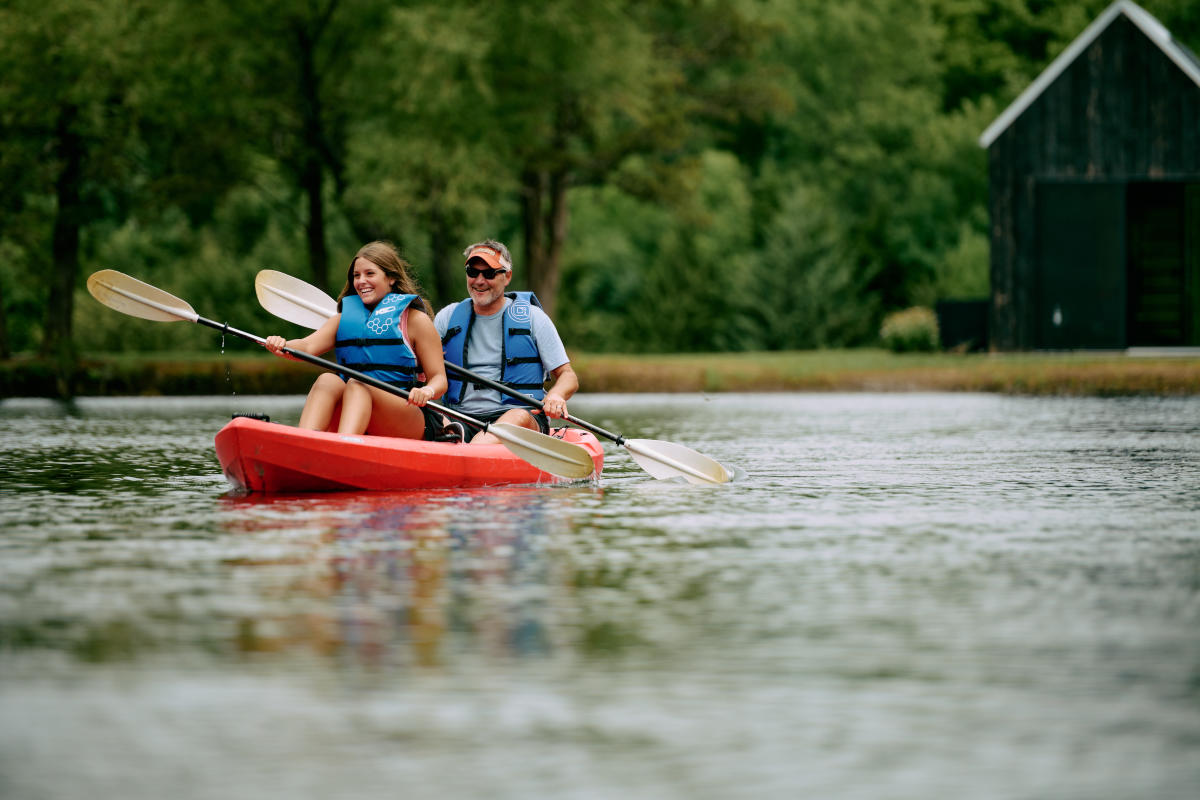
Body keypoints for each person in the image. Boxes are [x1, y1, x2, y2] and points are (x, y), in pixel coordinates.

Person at [264, 241, 448, 440]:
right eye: (356, 275)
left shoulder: (415, 320)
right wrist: (282, 345)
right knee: (328, 380)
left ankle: (344, 448)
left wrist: (428, 391)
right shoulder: (344, 319)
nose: (361, 281)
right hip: (358, 408)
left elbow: (440, 379)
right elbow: (307, 347)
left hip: (407, 414)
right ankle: (304, 443)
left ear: (391, 278)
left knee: (360, 383)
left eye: (370, 274)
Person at [435, 239, 578, 444]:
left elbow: (568, 376)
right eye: (472, 272)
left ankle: (472, 451)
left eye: (489, 273)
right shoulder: (446, 318)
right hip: (458, 416)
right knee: (426, 416)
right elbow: (425, 373)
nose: (479, 280)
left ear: (507, 276)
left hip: (519, 415)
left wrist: (556, 395)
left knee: (516, 416)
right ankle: (461, 444)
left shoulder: (533, 318)